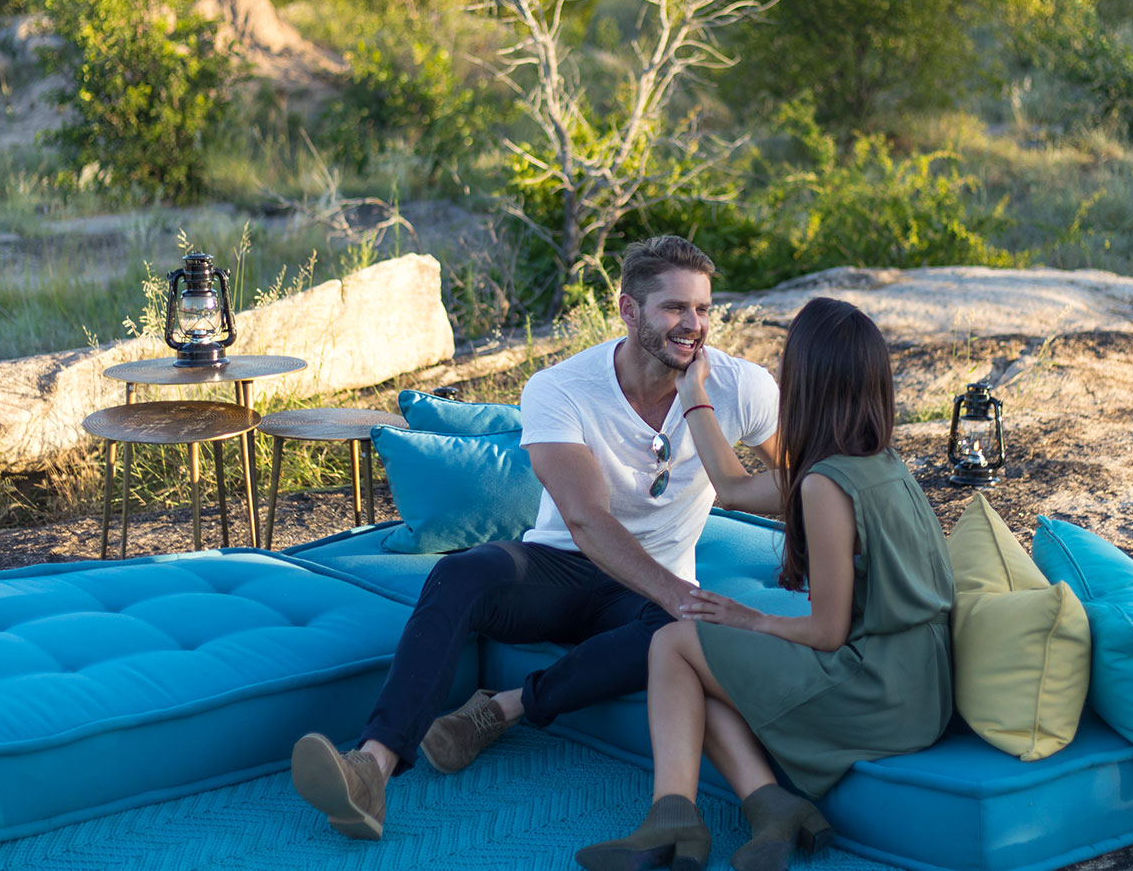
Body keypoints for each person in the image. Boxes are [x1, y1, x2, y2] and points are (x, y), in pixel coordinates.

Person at [291, 235, 780, 841]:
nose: (694, 326)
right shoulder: (562, 387)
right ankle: (372, 767)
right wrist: (676, 594)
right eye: (674, 308)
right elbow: (585, 520)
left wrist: (825, 551)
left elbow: (800, 480)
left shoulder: (739, 387)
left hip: (648, 598)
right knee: (461, 573)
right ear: (628, 310)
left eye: (703, 309)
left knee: (682, 631)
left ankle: (507, 707)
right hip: (561, 569)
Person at [576, 297, 956, 871]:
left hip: (876, 696)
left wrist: (748, 618)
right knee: (700, 660)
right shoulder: (878, 462)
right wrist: (695, 393)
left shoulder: (825, 487)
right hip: (924, 687)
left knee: (674, 641)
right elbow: (731, 487)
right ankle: (770, 806)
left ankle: (672, 817)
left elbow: (827, 633)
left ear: (803, 382)